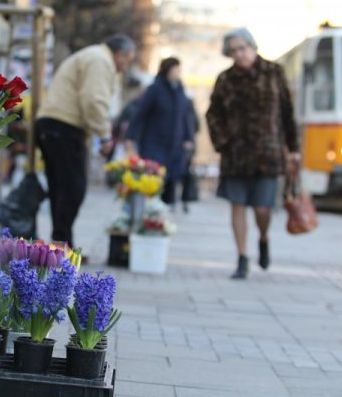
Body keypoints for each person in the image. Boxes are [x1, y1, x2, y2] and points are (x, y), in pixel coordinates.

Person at [205, 28, 300, 279]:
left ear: (253, 47)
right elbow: (213, 114)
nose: (239, 54)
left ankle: (264, 237)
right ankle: (242, 257)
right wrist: (223, 141)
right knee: (237, 206)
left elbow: (287, 112)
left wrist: (294, 149)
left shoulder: (274, 72)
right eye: (233, 51)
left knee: (262, 209)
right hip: (235, 154)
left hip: (268, 154)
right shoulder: (225, 79)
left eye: (242, 48)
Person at [35, 34, 136, 248]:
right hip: (65, 126)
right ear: (119, 54)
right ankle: (62, 245)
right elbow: (93, 100)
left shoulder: (92, 55)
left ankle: (61, 245)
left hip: (52, 124)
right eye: (127, 60)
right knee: (73, 189)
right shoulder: (101, 60)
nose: (125, 67)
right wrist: (105, 134)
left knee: (61, 189)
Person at [125, 57, 195, 208]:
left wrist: (189, 138)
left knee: (171, 179)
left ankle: (163, 216)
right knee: (154, 178)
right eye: (176, 69)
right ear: (167, 69)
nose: (178, 72)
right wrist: (131, 136)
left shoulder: (180, 91)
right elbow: (140, 114)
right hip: (154, 142)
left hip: (175, 144)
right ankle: (150, 213)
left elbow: (186, 116)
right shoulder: (155, 89)